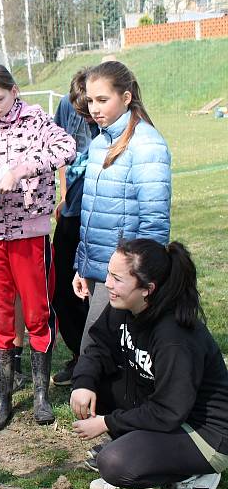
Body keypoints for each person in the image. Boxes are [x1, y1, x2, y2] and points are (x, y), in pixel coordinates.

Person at [0, 65, 75, 431]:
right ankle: (4, 400)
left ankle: (41, 398)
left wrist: (23, 168)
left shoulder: (38, 121)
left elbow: (67, 148)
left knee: (37, 312)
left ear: (14, 91)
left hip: (30, 234)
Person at [70, 240, 227, 489]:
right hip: (170, 414)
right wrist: (83, 383)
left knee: (113, 463)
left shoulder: (174, 337)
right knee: (96, 381)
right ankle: (149, 458)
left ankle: (195, 473)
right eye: (109, 273)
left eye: (117, 278)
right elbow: (97, 345)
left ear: (147, 289)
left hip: (206, 434)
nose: (107, 283)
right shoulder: (126, 305)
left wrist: (106, 422)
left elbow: (168, 412)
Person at [73, 61, 171, 356]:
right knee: (106, 356)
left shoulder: (147, 144)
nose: (94, 108)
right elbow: (92, 212)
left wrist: (137, 277)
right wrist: (83, 265)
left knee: (94, 352)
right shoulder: (100, 142)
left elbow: (155, 222)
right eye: (90, 100)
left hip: (124, 275)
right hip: (99, 269)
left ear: (126, 97)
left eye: (103, 100)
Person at [49, 68, 99, 386]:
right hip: (71, 213)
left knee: (96, 292)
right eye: (83, 110)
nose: (89, 115)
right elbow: (63, 156)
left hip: (100, 216)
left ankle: (102, 362)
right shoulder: (67, 107)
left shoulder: (111, 114)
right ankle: (80, 355)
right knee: (61, 289)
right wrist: (65, 198)